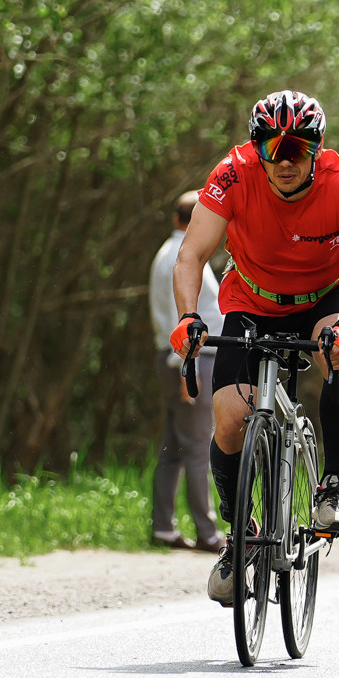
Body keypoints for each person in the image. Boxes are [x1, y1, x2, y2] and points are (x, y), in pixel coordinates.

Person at [172, 91, 339, 605]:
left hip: (321, 299)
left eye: (296, 148)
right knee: (228, 417)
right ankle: (239, 534)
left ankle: (330, 489)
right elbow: (191, 254)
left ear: (315, 149)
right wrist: (187, 317)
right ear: (257, 148)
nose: (283, 159)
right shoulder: (233, 174)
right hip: (251, 298)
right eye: (272, 147)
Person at [147, 191, 224, 552]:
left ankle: (163, 527)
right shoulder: (183, 258)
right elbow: (183, 318)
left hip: (176, 357)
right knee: (197, 448)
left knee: (174, 446)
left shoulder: (168, 251)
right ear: (193, 220)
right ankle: (207, 533)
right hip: (190, 360)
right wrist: (186, 368)